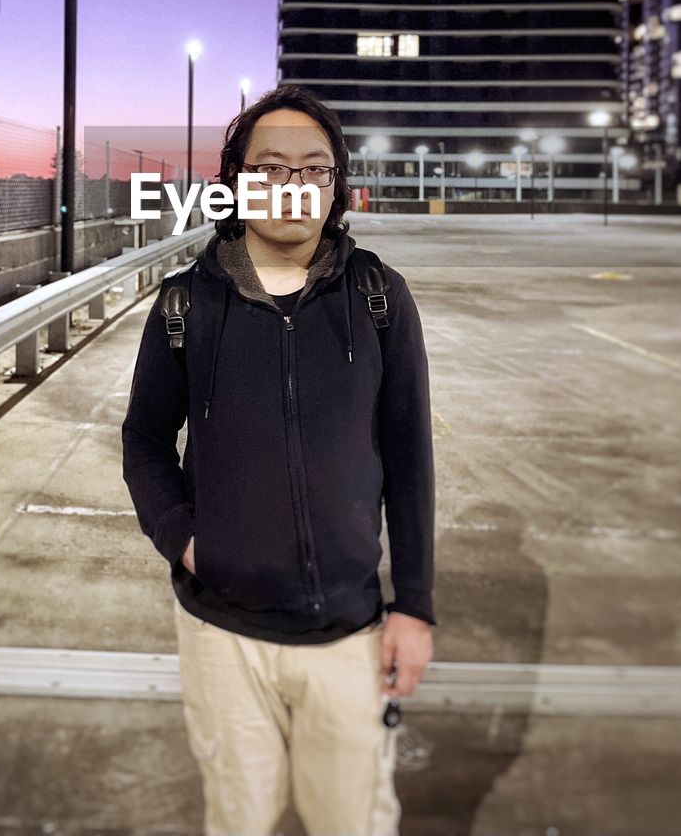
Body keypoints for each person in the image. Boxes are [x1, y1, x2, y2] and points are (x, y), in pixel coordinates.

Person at [122, 85, 436, 836]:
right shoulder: (184, 307)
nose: (292, 188)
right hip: (223, 633)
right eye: (270, 168)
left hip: (348, 633)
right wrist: (187, 539)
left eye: (313, 170)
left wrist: (415, 605)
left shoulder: (379, 298)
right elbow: (143, 441)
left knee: (353, 822)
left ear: (337, 185)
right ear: (235, 180)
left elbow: (409, 455)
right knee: (239, 820)